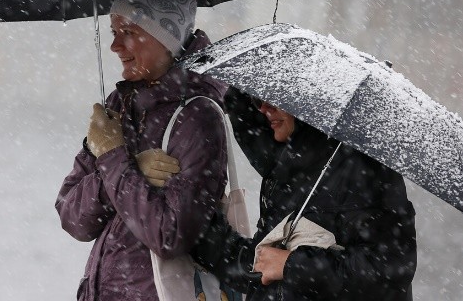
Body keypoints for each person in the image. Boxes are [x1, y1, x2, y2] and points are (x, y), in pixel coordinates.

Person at [148, 87, 417, 300]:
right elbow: (262, 265)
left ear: (308, 102)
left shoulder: (365, 170)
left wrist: (292, 266)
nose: (264, 107)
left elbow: (389, 271)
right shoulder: (287, 170)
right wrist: (191, 219)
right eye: (258, 98)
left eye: (276, 97)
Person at [55, 0, 232, 301]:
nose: (114, 46)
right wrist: (126, 167)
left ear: (167, 38)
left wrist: (112, 158)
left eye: (129, 31)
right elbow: (71, 217)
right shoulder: (118, 105)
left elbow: (170, 236)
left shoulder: (197, 117)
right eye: (112, 31)